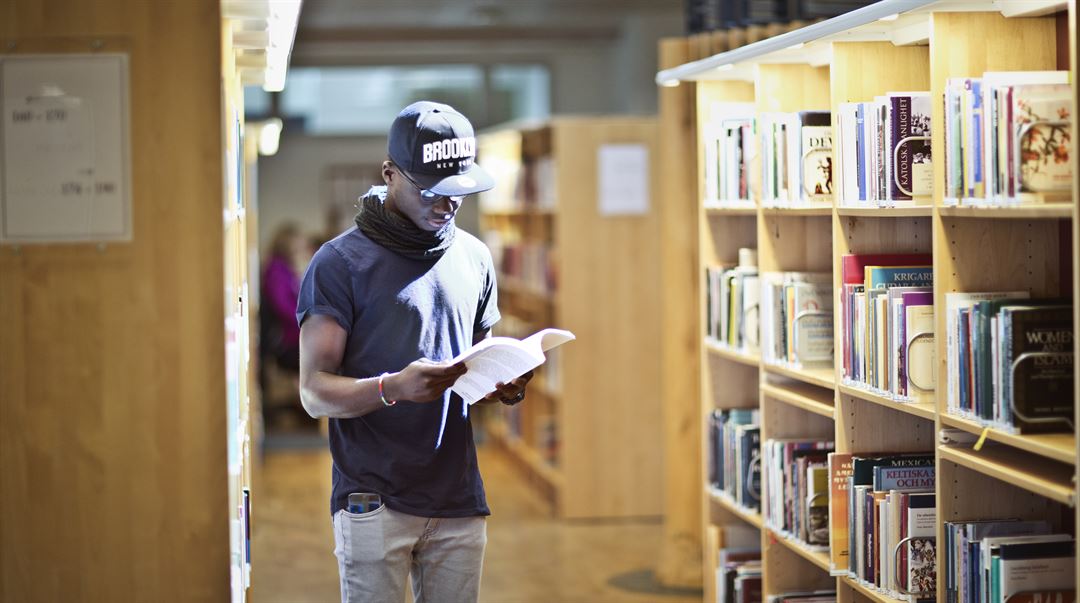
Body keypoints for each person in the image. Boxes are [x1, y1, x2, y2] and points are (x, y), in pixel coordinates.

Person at [296, 101, 533, 603]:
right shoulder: (339, 264)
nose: (446, 205)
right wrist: (393, 388)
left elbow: (472, 362)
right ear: (389, 173)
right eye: (431, 190)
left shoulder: (474, 257)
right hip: (374, 499)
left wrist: (501, 383)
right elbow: (314, 393)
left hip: (458, 495)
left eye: (458, 192)